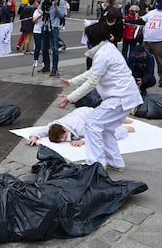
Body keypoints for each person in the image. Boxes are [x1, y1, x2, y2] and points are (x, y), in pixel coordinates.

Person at [58, 22, 143, 171]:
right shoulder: (107, 49)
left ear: (92, 39)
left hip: (119, 97)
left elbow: (92, 81)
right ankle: (115, 162)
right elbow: (92, 72)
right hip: (124, 96)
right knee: (106, 128)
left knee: (92, 123)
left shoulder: (104, 54)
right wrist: (71, 82)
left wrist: (70, 98)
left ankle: (96, 164)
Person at [26, 106, 134, 147]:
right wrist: (34, 137)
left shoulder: (79, 126)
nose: (66, 140)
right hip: (80, 114)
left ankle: (122, 124)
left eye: (64, 138)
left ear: (65, 129)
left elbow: (95, 135)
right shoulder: (55, 125)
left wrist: (82, 141)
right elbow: (43, 130)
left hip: (90, 115)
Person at [124, 0, 162, 87]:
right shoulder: (151, 13)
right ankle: (140, 76)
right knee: (141, 59)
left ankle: (161, 79)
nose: (158, 4)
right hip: (147, 40)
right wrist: (126, 21)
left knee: (160, 61)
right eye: (158, 3)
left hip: (159, 41)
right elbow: (141, 21)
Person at [37, 0, 67, 77]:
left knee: (54, 48)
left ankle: (54, 68)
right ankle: (46, 66)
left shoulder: (61, 0)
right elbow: (39, 8)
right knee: (44, 48)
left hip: (54, 27)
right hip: (45, 25)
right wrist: (42, 9)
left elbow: (62, 14)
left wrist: (56, 6)